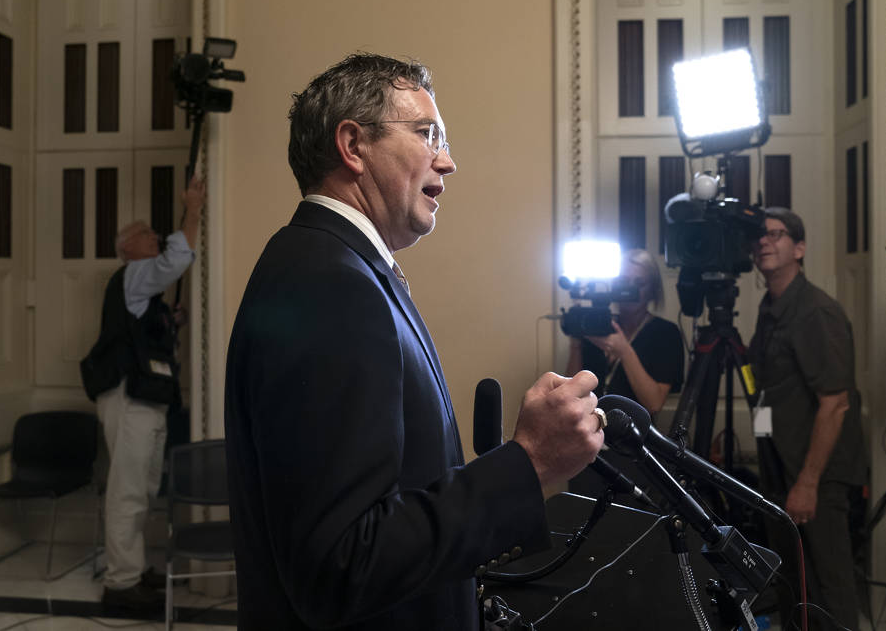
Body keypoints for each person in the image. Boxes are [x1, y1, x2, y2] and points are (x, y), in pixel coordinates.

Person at [224, 54, 605, 631]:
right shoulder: (329, 284)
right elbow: (342, 566)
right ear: (353, 145)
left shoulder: (336, 267)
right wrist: (529, 463)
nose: (447, 161)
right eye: (428, 135)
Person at [80, 175, 205, 612]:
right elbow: (177, 260)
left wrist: (170, 321)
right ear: (127, 248)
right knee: (128, 490)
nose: (154, 237)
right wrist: (192, 210)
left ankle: (131, 569)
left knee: (144, 487)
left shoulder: (143, 293)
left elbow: (146, 334)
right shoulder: (133, 274)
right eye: (146, 234)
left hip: (146, 399)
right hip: (128, 398)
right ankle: (120, 583)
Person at [747, 207, 865, 631]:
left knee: (828, 589)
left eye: (776, 235)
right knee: (792, 588)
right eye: (759, 236)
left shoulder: (815, 311)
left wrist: (809, 483)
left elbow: (836, 403)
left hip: (817, 475)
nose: (764, 242)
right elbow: (761, 392)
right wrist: (761, 451)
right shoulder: (768, 309)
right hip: (781, 468)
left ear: (799, 248)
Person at [565, 248, 684, 415]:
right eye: (623, 281)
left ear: (653, 290)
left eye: (640, 283)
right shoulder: (598, 325)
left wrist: (625, 351)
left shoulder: (665, 333)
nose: (630, 290)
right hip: (589, 431)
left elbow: (654, 404)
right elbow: (571, 396)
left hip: (633, 435)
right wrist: (576, 345)